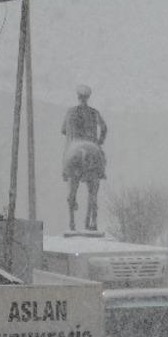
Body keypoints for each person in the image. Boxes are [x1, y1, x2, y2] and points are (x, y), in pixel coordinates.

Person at [61, 84, 108, 231]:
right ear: (88, 97)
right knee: (93, 190)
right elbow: (104, 128)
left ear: (78, 97)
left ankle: (71, 222)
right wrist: (99, 141)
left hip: (74, 146)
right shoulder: (94, 112)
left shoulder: (70, 112)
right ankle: (91, 221)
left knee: (70, 178)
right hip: (92, 146)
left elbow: (63, 130)